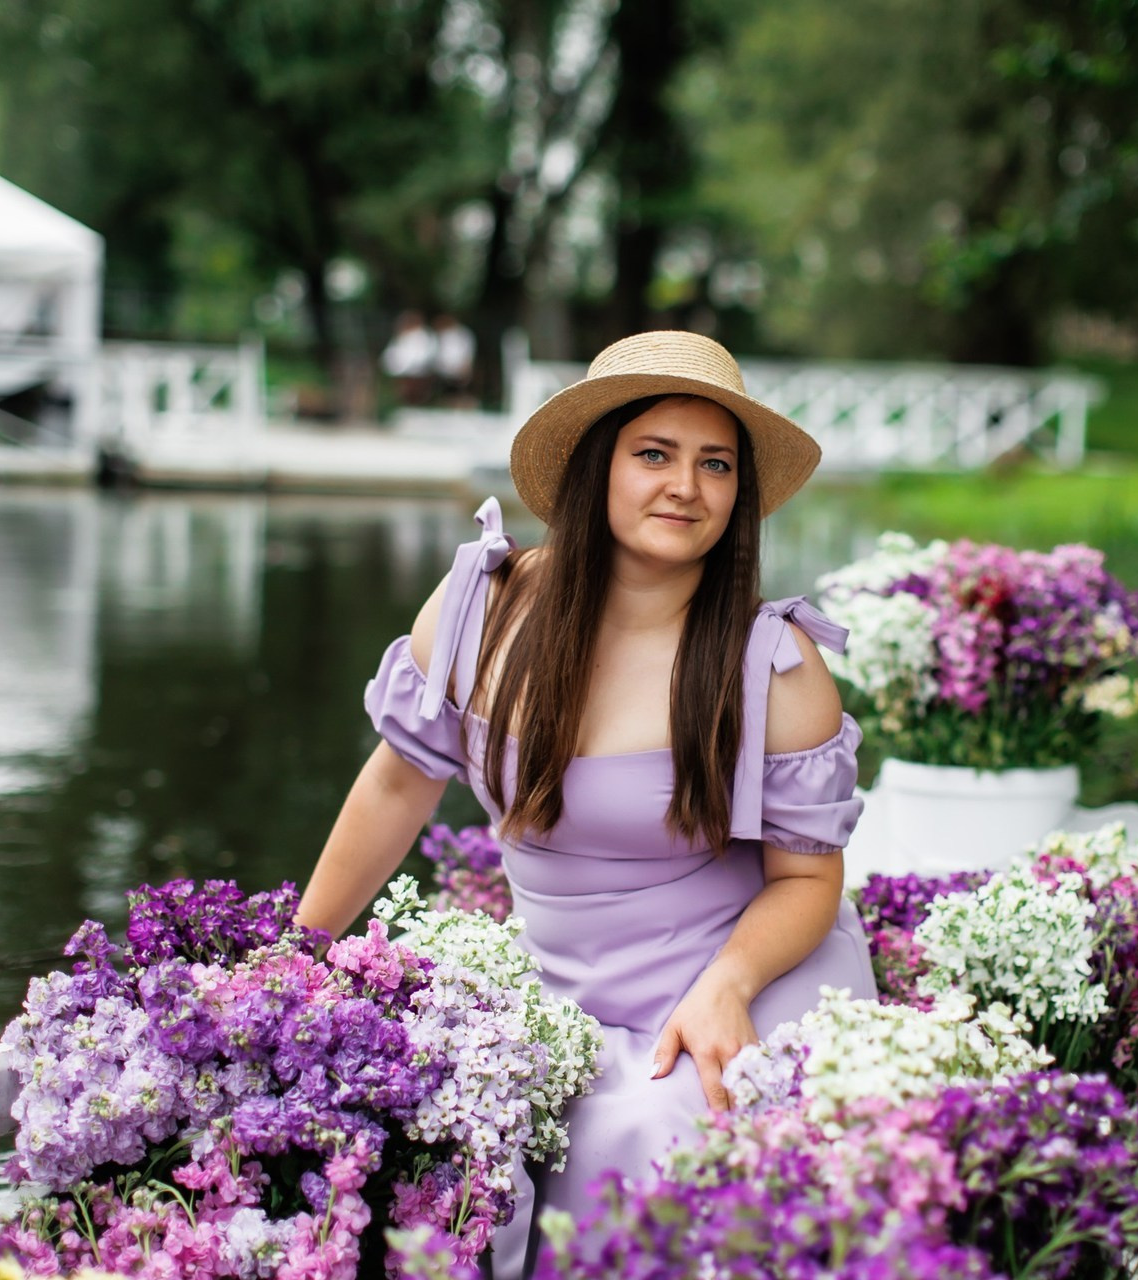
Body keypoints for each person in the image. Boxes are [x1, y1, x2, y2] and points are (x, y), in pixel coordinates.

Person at [295, 330, 877, 1277]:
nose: (684, 486)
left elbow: (808, 879)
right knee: (430, 1150)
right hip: (561, 991)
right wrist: (299, 954)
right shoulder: (481, 609)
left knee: (649, 1143)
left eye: (715, 464)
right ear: (596, 466)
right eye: (654, 453)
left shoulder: (771, 663)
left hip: (738, 976)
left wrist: (726, 986)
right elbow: (397, 785)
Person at [380, 310, 436, 406]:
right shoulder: (401, 337)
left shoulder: (423, 336)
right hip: (403, 370)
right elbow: (392, 354)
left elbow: (424, 355)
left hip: (418, 370)